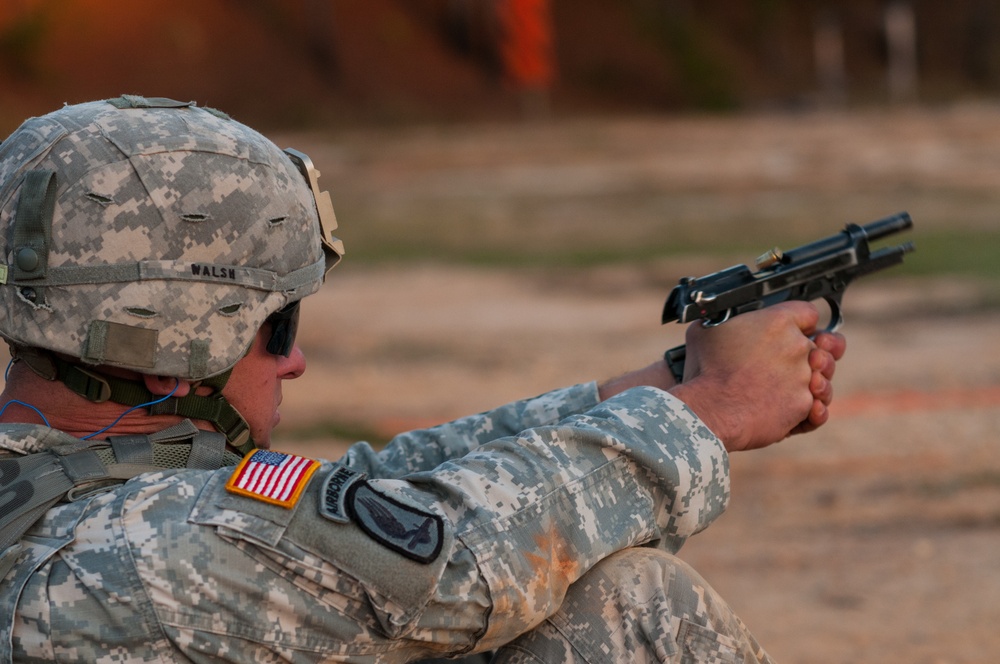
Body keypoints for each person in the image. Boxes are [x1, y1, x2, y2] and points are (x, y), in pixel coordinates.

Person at [0, 97, 845, 663]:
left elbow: (368, 496)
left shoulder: (77, 479)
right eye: (276, 326)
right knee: (625, 608)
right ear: (170, 345)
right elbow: (454, 561)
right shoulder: (133, 551)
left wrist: (652, 390)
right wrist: (709, 414)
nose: (293, 358)